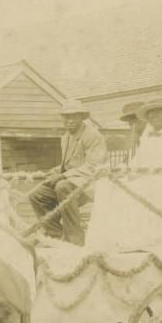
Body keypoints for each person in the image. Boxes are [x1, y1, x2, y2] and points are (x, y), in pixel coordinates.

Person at [86, 98, 162, 252]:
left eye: (157, 114)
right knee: (107, 186)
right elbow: (138, 159)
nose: (153, 118)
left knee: (138, 189)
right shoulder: (147, 133)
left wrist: (143, 173)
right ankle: (111, 237)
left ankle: (145, 238)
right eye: (151, 115)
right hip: (143, 176)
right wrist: (124, 171)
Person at [29, 99, 108, 245]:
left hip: (91, 184)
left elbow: (93, 166)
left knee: (62, 186)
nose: (69, 121)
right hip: (71, 182)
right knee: (37, 194)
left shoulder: (93, 135)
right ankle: (56, 236)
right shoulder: (65, 137)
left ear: (81, 117)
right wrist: (55, 171)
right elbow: (69, 165)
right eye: (66, 117)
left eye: (73, 117)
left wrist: (62, 175)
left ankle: (75, 239)